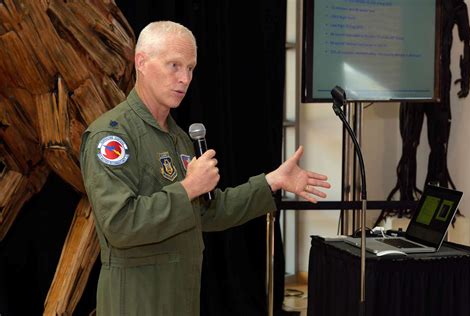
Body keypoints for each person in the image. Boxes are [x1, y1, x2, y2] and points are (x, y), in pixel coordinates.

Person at [80, 20, 331, 316]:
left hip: (181, 299)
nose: (184, 78)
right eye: (174, 65)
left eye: (190, 68)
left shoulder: (179, 138)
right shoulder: (112, 137)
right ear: (141, 62)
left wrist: (271, 182)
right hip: (137, 300)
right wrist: (188, 188)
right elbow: (120, 224)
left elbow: (207, 212)